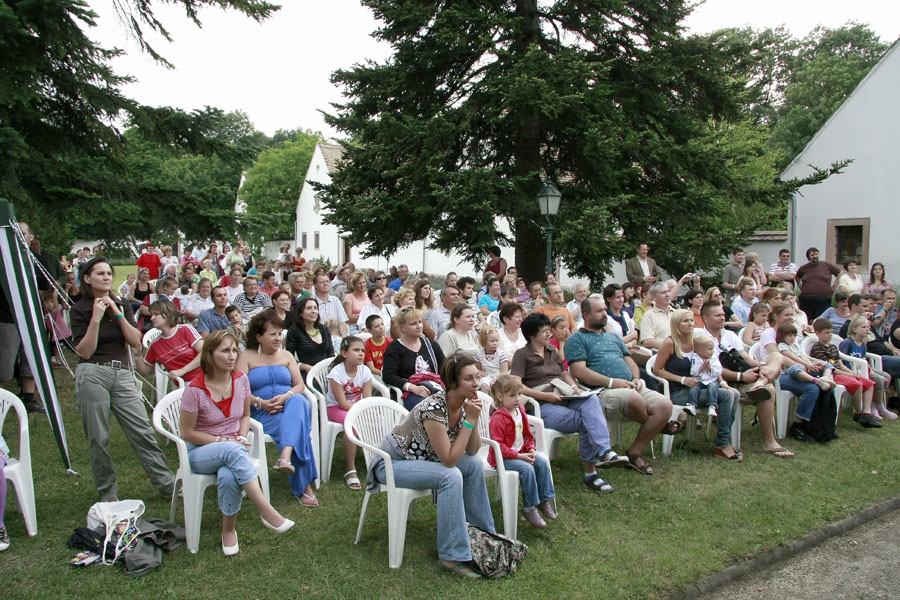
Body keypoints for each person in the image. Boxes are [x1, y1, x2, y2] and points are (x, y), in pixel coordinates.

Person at [369, 355, 495, 579]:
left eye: (477, 376)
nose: (476, 383)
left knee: (474, 464)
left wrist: (472, 419)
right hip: (392, 464)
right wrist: (468, 421)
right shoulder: (434, 409)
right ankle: (451, 555)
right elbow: (448, 460)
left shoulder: (465, 404)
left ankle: (484, 538)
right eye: (468, 378)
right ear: (453, 382)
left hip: (422, 460)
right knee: (450, 475)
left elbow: (473, 450)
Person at [179, 329, 294, 555]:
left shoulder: (241, 380)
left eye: (234, 350)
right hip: (200, 452)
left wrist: (241, 436)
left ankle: (228, 530)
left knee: (229, 474)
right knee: (232, 450)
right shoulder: (194, 389)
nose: (232, 356)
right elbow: (187, 432)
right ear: (210, 355)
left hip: (233, 447)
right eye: (225, 351)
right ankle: (267, 511)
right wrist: (221, 440)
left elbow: (244, 416)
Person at [70, 256, 175, 501]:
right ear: (87, 279)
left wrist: (116, 311)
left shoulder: (122, 304)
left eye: (109, 273)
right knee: (99, 437)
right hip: (92, 372)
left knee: (142, 431)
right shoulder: (79, 310)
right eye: (100, 274)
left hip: (123, 372)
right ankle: (108, 493)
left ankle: (167, 485)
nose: (106, 277)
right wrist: (96, 317)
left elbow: (136, 341)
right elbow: (84, 351)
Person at [512, 312, 626, 491]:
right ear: (532, 336)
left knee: (591, 400)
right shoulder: (522, 354)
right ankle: (591, 474)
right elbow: (516, 385)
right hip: (543, 405)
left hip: (563, 394)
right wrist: (544, 397)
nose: (548, 334)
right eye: (544, 331)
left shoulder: (551, 350)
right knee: (586, 421)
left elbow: (564, 374)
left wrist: (575, 388)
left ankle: (604, 450)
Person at [566, 298, 675, 474]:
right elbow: (579, 371)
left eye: (604, 310)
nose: (605, 314)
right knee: (635, 399)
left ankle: (634, 452)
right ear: (585, 315)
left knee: (665, 405)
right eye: (599, 311)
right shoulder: (576, 339)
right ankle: (660, 426)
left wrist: (636, 377)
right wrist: (611, 382)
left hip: (631, 386)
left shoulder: (612, 337)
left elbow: (629, 361)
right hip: (602, 391)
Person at [236, 309, 319, 507]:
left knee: (299, 401)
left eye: (279, 334)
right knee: (298, 429)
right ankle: (303, 485)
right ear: (258, 337)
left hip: (289, 405)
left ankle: (285, 456)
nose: (277, 338)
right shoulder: (246, 357)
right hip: (261, 412)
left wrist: (286, 396)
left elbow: (299, 386)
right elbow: (238, 392)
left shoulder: (287, 355)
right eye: (272, 334)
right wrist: (260, 402)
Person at [654, 310, 742, 460]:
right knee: (726, 395)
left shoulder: (697, 341)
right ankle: (722, 443)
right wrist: (682, 379)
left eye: (691, 320)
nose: (690, 323)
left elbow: (713, 361)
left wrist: (722, 381)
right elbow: (657, 370)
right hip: (679, 391)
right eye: (685, 321)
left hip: (702, 386)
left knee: (734, 392)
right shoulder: (670, 343)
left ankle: (723, 438)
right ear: (676, 324)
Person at [488, 374, 556, 528]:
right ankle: (529, 507)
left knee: (542, 462)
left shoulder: (521, 411)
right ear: (500, 396)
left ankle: (544, 500)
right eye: (512, 395)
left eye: (519, 394)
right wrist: (519, 456)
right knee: (527, 469)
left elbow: (526, 434)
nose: (518, 399)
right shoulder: (498, 418)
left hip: (521, 453)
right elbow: (498, 446)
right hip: (503, 458)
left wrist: (531, 448)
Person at [759, 302, 827, 442]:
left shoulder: (790, 332)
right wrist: (802, 366)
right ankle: (799, 425)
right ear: (776, 316)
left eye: (792, 314)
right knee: (812, 386)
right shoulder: (769, 333)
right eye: (786, 315)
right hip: (777, 375)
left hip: (795, 372)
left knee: (817, 387)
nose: (790, 317)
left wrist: (810, 364)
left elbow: (798, 353)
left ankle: (808, 424)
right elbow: (780, 358)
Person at [809, 318, 880, 427]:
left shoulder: (832, 347)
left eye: (831, 332)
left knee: (869, 384)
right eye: (827, 333)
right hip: (831, 375)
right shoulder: (817, 348)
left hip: (841, 372)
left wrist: (851, 372)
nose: (830, 335)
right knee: (857, 385)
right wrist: (848, 375)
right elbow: (830, 367)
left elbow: (840, 363)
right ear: (817, 333)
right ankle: (858, 414)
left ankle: (866, 413)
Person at [326, 336, 373, 490]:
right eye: (356, 350)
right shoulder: (336, 373)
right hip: (336, 408)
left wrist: (366, 411)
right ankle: (350, 470)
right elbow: (342, 403)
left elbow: (368, 398)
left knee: (380, 419)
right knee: (351, 424)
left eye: (362, 350)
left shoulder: (365, 371)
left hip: (357, 407)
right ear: (344, 353)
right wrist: (359, 412)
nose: (361, 354)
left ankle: (377, 462)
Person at [382, 307, 446, 410]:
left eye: (420, 322)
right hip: (409, 392)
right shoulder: (394, 348)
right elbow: (388, 376)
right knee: (430, 407)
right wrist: (412, 387)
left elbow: (445, 368)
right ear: (402, 327)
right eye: (413, 324)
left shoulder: (431, 345)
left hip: (434, 387)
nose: (419, 326)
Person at [840, 315, 894, 423]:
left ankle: (878, 404)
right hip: (852, 372)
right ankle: (874, 407)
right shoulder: (848, 343)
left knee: (886, 376)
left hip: (863, 369)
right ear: (855, 329)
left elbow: (864, 361)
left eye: (868, 327)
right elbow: (840, 358)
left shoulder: (863, 344)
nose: (867, 329)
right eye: (864, 327)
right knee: (877, 380)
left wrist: (873, 372)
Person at [136, 299, 204, 383]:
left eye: (156, 314)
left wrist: (182, 371)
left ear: (168, 315)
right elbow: (145, 371)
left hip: (204, 377)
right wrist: (137, 355)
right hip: (183, 384)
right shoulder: (155, 345)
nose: (151, 318)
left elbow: (204, 352)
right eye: (151, 314)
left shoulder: (185, 330)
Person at [285, 297, 335, 376]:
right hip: (307, 373)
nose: (313, 311)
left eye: (315, 308)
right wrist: (304, 367)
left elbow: (331, 354)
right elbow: (289, 358)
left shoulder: (324, 329)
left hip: (326, 372)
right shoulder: (294, 331)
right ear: (300, 313)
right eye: (309, 308)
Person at [796, 247, 841, 322]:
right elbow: (797, 276)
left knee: (821, 321)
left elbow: (840, 273)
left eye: (816, 254)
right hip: (806, 299)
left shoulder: (826, 265)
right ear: (808, 257)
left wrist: (834, 286)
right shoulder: (804, 268)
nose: (815, 256)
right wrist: (800, 286)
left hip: (824, 299)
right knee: (807, 320)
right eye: (812, 255)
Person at [687, 334, 728, 416]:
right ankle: (692, 405)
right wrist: (702, 368)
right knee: (694, 388)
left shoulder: (714, 358)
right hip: (700, 380)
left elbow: (718, 372)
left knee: (712, 387)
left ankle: (712, 406)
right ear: (700, 351)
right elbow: (693, 372)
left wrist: (710, 368)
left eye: (712, 349)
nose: (712, 351)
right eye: (709, 349)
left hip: (711, 380)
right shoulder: (695, 358)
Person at [639, 282, 674, 350]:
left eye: (668, 291)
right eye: (663, 292)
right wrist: (670, 347)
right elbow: (647, 341)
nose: (667, 294)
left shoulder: (677, 313)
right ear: (654, 297)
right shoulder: (649, 316)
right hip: (661, 354)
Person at [312, 271, 349, 336]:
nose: (325, 284)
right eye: (321, 282)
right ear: (315, 285)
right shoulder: (311, 301)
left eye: (327, 281)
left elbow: (342, 323)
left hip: (335, 336)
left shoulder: (335, 300)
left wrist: (344, 336)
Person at [476, 326, 508, 392]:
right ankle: (486, 401)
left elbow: (504, 371)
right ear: (484, 342)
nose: (495, 343)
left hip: (499, 377)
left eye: (496, 340)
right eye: (492, 341)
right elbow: (478, 369)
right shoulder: (479, 355)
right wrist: (479, 372)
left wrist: (496, 379)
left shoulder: (501, 354)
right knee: (484, 385)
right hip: (486, 376)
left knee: (496, 386)